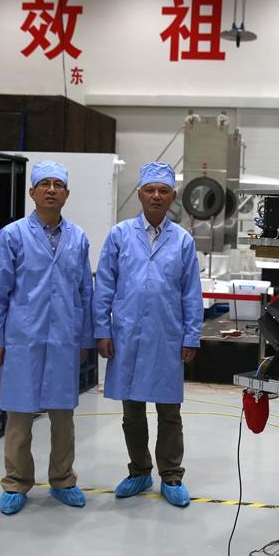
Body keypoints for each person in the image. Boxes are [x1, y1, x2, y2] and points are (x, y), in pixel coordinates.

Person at [0, 160, 95, 515]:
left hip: (63, 339)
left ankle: (62, 479)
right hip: (22, 340)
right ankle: (16, 483)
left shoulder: (78, 238)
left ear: (66, 194)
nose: (51, 189)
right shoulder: (13, 235)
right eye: (44, 184)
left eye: (58, 184)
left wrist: (84, 339)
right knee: (19, 417)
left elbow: (85, 293)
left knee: (63, 417)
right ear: (32, 192)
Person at [94, 161, 202, 507]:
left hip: (167, 336)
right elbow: (104, 286)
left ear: (173, 196)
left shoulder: (182, 241)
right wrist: (102, 330)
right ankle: (139, 471)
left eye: (163, 191)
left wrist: (191, 336)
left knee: (170, 411)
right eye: (150, 190)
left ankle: (170, 475)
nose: (156, 196)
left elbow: (191, 293)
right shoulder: (120, 235)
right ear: (140, 194)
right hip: (126, 335)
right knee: (132, 411)